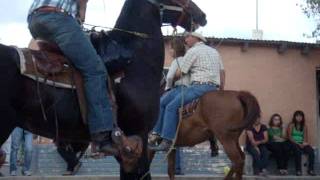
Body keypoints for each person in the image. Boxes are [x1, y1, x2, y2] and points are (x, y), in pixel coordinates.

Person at [27, 0, 115, 154]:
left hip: (34, 20)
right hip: (58, 18)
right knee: (95, 70)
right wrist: (81, 16)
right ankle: (102, 135)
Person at [150, 32, 225, 151]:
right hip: (214, 88)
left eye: (188, 37)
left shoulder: (192, 51)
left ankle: (167, 140)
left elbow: (181, 72)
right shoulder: (214, 52)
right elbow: (222, 73)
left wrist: (171, 81)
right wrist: (221, 90)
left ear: (196, 38)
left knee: (171, 107)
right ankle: (213, 140)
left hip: (198, 87)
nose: (185, 40)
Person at [287, 110, 316, 176]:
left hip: (302, 143)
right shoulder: (291, 125)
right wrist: (298, 144)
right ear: (294, 117)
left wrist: (304, 143)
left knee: (311, 151)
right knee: (298, 151)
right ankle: (298, 170)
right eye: (297, 116)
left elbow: (305, 137)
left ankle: (310, 170)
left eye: (300, 116)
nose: (299, 118)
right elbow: (289, 137)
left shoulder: (304, 126)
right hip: (293, 143)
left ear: (302, 117)